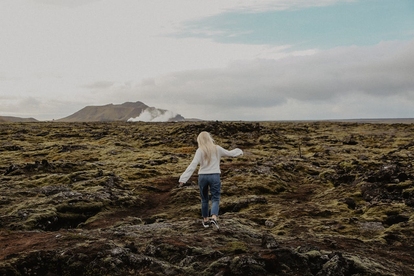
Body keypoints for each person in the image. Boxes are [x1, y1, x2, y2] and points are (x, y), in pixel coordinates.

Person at [179, 131, 243, 229]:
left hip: (202, 177)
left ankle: (205, 221)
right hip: (214, 176)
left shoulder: (200, 150)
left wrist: (183, 178)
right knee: (215, 198)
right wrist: (239, 151)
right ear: (209, 138)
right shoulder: (217, 148)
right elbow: (230, 153)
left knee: (204, 199)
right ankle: (214, 217)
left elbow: (193, 165)